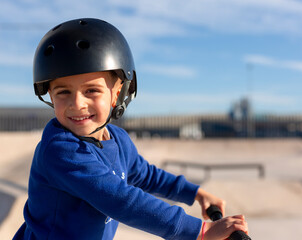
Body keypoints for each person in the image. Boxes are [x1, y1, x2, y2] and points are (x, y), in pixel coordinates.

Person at [13, 18, 248, 240]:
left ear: (118, 94)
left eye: (91, 91)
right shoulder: (60, 151)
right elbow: (121, 200)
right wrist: (201, 231)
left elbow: (146, 175)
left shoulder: (118, 140)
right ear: (50, 97)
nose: (77, 103)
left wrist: (194, 193)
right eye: (63, 92)